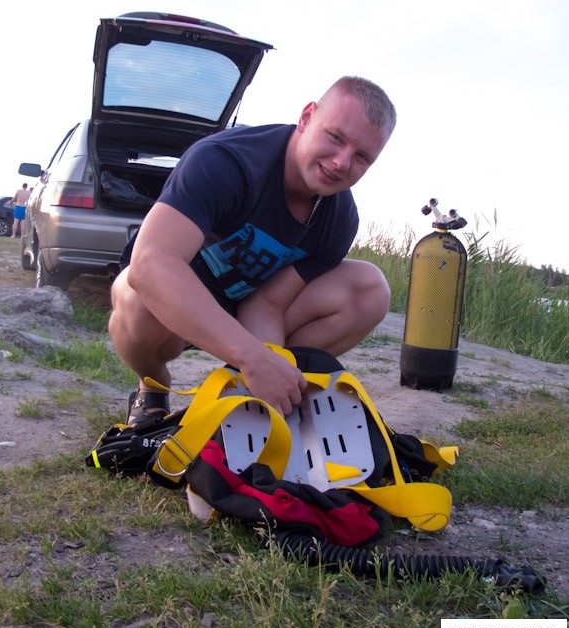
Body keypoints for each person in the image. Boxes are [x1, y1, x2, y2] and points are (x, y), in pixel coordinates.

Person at [109, 75, 397, 425]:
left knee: (370, 288)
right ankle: (152, 387)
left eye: (362, 157)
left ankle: (251, 395)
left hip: (244, 307)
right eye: (335, 137)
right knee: (137, 299)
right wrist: (251, 356)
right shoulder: (225, 161)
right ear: (306, 118)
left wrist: (268, 363)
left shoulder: (339, 219)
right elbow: (151, 265)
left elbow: (267, 303)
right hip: (173, 307)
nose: (341, 162)